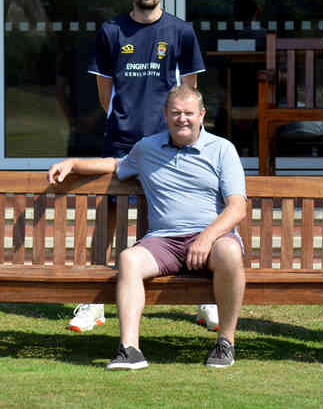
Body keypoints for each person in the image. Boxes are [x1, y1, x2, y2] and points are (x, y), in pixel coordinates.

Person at [48, 86, 246, 369]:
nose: (182, 119)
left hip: (211, 240)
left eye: (189, 113)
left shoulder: (222, 150)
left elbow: (237, 206)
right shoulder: (147, 148)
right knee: (129, 258)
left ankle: (225, 343)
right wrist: (72, 162)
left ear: (201, 115)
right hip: (164, 242)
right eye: (176, 113)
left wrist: (206, 238)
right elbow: (115, 165)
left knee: (229, 251)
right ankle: (130, 350)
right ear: (165, 115)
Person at [67, 0, 212, 333]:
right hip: (122, 138)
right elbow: (105, 92)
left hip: (170, 143)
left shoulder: (181, 32)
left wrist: (177, 130)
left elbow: (188, 92)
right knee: (108, 218)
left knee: (185, 215)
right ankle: (93, 303)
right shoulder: (112, 31)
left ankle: (203, 297)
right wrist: (125, 116)